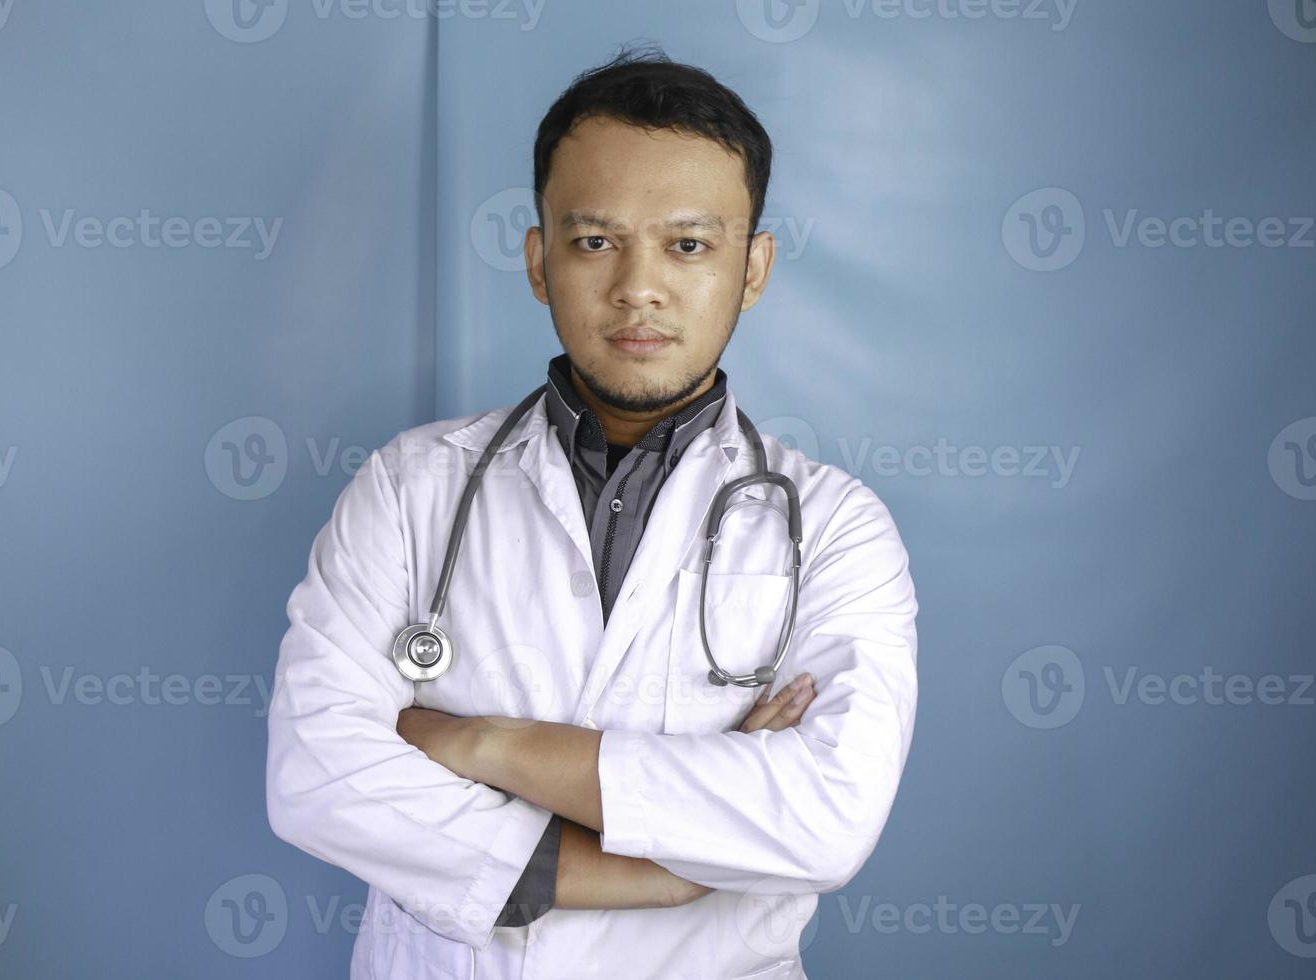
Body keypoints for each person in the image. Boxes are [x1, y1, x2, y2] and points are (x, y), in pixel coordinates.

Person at [266, 43, 919, 980]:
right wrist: (652, 872)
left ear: (754, 267)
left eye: (688, 245)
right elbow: (316, 777)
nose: (637, 287)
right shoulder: (412, 490)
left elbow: (825, 819)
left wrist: (482, 743)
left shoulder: (836, 530)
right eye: (594, 241)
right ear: (539, 261)